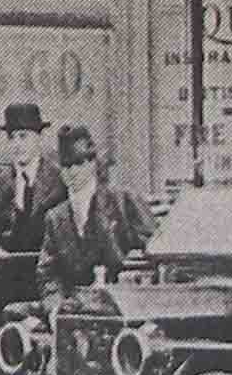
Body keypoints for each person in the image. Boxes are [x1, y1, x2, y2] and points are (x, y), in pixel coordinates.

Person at [39, 124, 152, 291]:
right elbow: (47, 275)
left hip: (122, 300)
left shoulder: (124, 202)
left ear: (92, 163)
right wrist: (56, 308)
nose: (72, 172)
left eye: (78, 163)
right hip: (74, 308)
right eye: (66, 166)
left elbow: (154, 250)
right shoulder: (55, 218)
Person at [0, 103, 54, 257]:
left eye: (23, 136)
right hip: (7, 271)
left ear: (40, 137)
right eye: (11, 137)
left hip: (51, 271)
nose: (17, 144)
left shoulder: (59, 181)